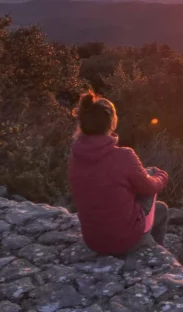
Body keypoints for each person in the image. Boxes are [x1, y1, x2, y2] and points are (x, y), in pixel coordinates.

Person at [68, 91, 169, 255]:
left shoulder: (75, 156)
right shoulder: (124, 155)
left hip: (93, 242)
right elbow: (150, 188)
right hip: (124, 242)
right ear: (111, 124)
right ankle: (152, 250)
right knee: (161, 209)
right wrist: (161, 176)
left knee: (141, 174)